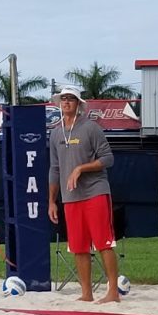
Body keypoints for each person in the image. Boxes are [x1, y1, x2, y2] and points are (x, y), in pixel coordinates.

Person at [47, 85, 118, 303]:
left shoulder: (90, 128)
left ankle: (113, 292)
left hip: (95, 190)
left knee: (103, 242)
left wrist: (81, 168)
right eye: (63, 98)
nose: (66, 102)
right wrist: (51, 201)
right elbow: (55, 169)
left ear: (78, 103)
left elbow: (108, 158)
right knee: (78, 246)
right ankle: (86, 293)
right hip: (70, 197)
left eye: (71, 98)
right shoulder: (56, 133)